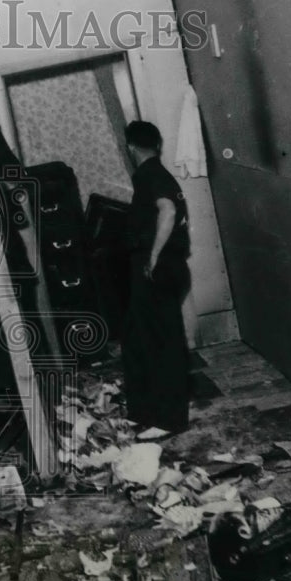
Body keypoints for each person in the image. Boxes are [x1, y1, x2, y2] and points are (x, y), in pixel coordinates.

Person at [121, 121, 191, 434]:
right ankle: (144, 411)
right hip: (161, 269)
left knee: (162, 343)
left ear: (131, 147)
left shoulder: (150, 174)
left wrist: (153, 255)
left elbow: (168, 211)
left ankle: (168, 420)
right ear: (157, 144)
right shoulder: (156, 174)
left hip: (158, 269)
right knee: (139, 338)